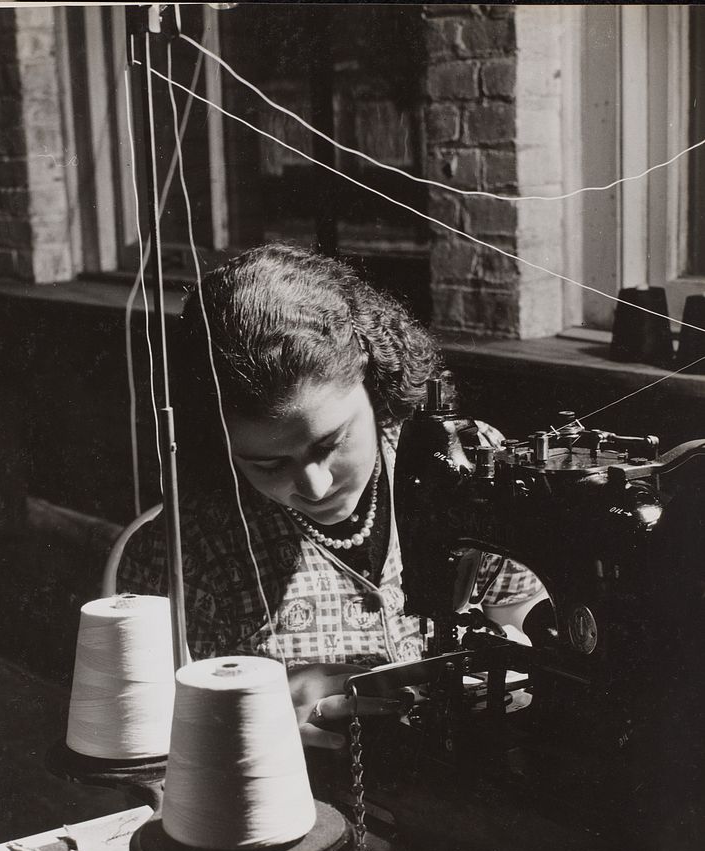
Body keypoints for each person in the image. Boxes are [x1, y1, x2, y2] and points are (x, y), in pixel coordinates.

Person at [117, 243, 542, 749]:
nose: (315, 486)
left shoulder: (469, 466)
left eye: (331, 442)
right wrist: (243, 724)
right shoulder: (184, 552)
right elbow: (149, 754)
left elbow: (514, 614)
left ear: (376, 383)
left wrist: (521, 652)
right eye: (268, 464)